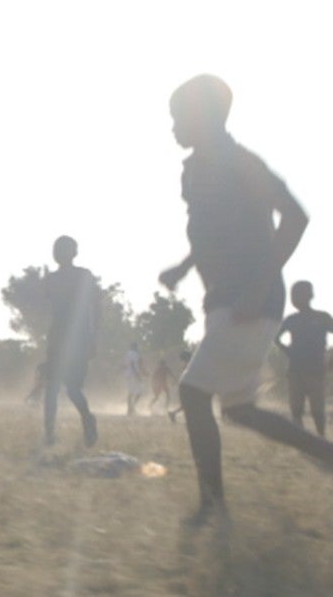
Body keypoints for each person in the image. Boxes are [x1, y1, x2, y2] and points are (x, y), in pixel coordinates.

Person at [158, 74, 333, 526]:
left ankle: (213, 509)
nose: (172, 127)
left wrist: (259, 286)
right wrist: (183, 266)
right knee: (240, 410)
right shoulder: (193, 170)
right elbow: (211, 231)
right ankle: (326, 453)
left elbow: (295, 216)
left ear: (205, 117)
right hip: (223, 301)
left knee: (193, 393)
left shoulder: (240, 163)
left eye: (178, 117)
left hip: (252, 300)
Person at [43, 235, 100, 447]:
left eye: (64, 249)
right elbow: (51, 310)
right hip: (57, 338)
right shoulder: (51, 279)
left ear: (74, 253)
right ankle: (49, 434)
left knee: (73, 389)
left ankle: (88, 419)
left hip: (78, 339)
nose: (59, 253)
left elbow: (94, 308)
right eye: (56, 249)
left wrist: (92, 338)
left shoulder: (84, 276)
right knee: (51, 387)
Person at [275, 280, 333, 437]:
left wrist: (330, 360)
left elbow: (276, 338)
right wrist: (288, 351)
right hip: (297, 370)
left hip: (313, 370)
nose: (294, 299)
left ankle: (320, 439)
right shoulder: (292, 319)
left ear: (308, 296)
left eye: (297, 295)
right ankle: (306, 440)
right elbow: (276, 337)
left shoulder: (322, 317)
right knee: (297, 409)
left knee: (317, 410)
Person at [124, 342, 146, 416]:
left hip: (129, 374)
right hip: (133, 375)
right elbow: (133, 365)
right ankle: (131, 409)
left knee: (131, 392)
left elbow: (127, 364)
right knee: (139, 392)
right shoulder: (134, 354)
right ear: (135, 347)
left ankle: (130, 409)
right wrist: (138, 375)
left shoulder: (128, 353)